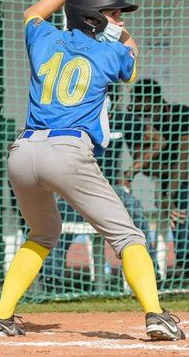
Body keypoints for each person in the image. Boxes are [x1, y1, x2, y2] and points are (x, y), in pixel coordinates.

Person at [0, 0, 184, 341]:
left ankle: (2, 317)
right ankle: (156, 314)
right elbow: (132, 53)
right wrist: (116, 29)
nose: (121, 21)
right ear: (92, 19)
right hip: (67, 152)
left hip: (23, 153)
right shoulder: (111, 53)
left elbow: (32, 12)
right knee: (128, 236)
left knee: (43, 233)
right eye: (113, 14)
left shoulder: (45, 39)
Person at [41, 84, 163, 287]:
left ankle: (150, 271)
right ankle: (52, 277)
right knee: (55, 218)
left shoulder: (121, 118)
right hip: (74, 187)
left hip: (109, 188)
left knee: (135, 209)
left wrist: (130, 172)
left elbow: (158, 141)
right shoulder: (73, 118)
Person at [129, 78, 189, 287]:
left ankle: (184, 266)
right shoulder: (143, 126)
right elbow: (146, 168)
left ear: (150, 101)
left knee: (183, 197)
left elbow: (184, 163)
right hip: (167, 185)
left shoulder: (182, 114)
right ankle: (153, 269)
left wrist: (168, 197)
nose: (134, 108)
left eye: (137, 104)